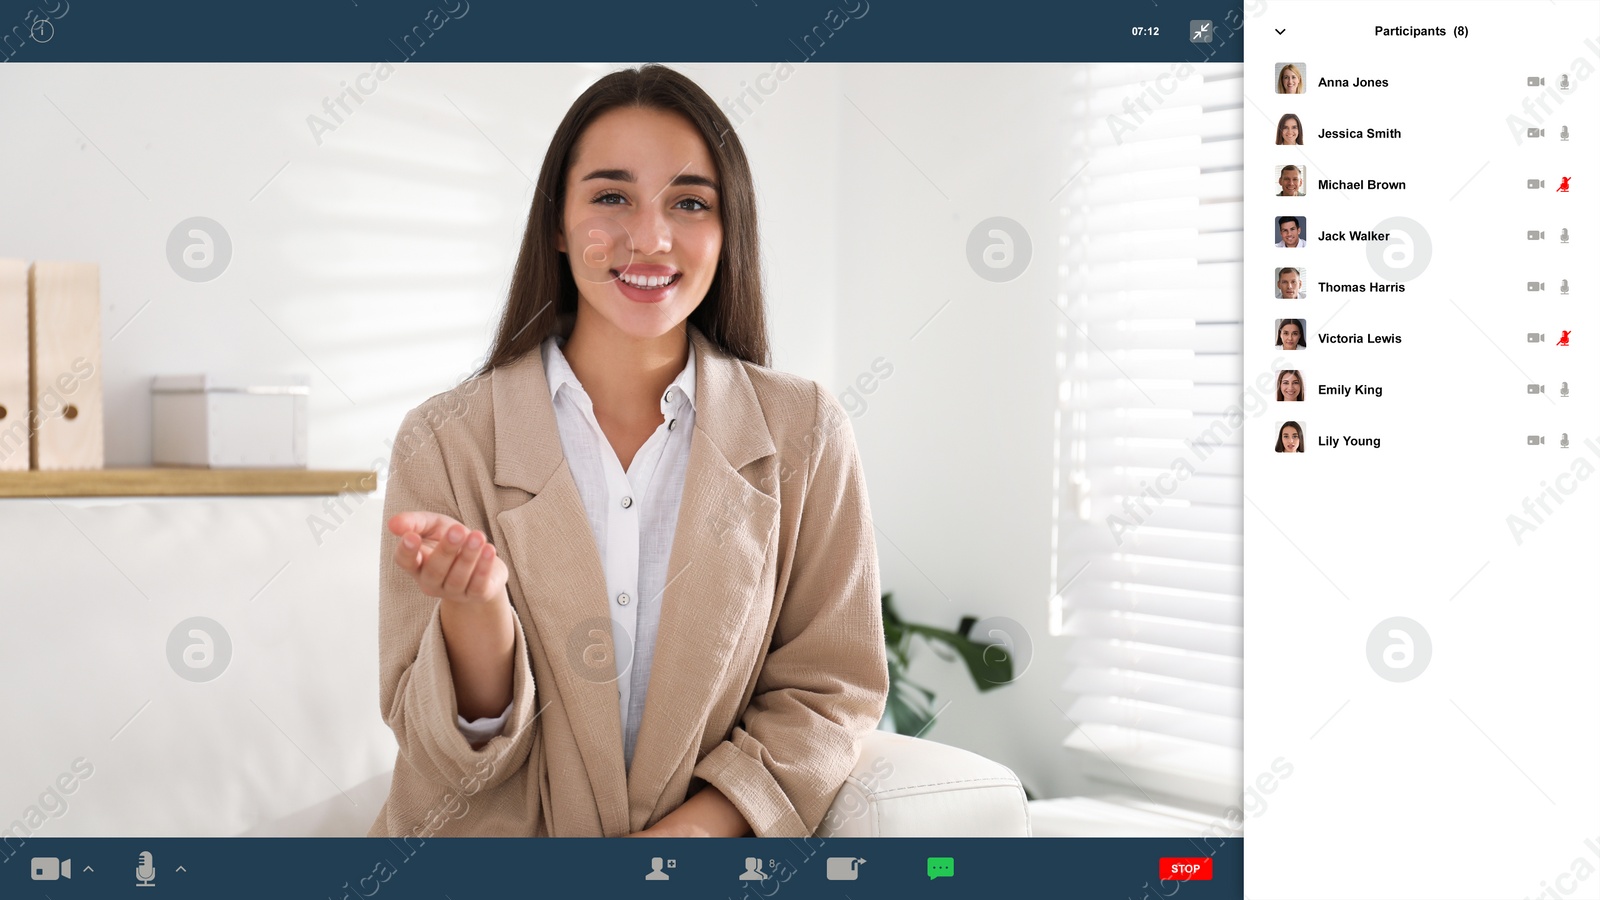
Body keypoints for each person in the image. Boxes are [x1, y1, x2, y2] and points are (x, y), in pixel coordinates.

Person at [368, 64, 890, 840]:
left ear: (728, 228)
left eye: (689, 203)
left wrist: (689, 841)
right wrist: (476, 615)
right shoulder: (443, 441)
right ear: (556, 220)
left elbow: (830, 688)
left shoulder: (803, 433)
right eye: (611, 196)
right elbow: (454, 763)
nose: (650, 237)